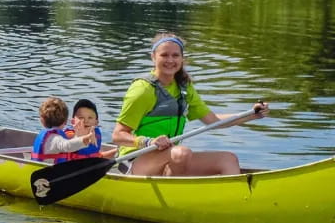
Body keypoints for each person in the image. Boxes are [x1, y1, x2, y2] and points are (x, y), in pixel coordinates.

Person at [111, 32, 269, 177]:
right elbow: (118, 135)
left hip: (171, 157)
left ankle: (235, 201)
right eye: (164, 55)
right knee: (182, 153)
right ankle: (173, 196)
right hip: (134, 161)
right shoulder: (142, 89)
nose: (170, 60)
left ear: (182, 59)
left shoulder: (184, 88)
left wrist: (252, 115)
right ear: (153, 57)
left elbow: (213, 121)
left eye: (175, 55)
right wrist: (149, 142)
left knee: (228, 159)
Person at [31, 97, 106, 163]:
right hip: (47, 175)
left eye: (90, 118)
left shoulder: (52, 136)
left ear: (42, 120)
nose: (85, 121)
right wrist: (85, 138)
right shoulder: (55, 139)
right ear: (66, 121)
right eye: (81, 118)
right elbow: (67, 146)